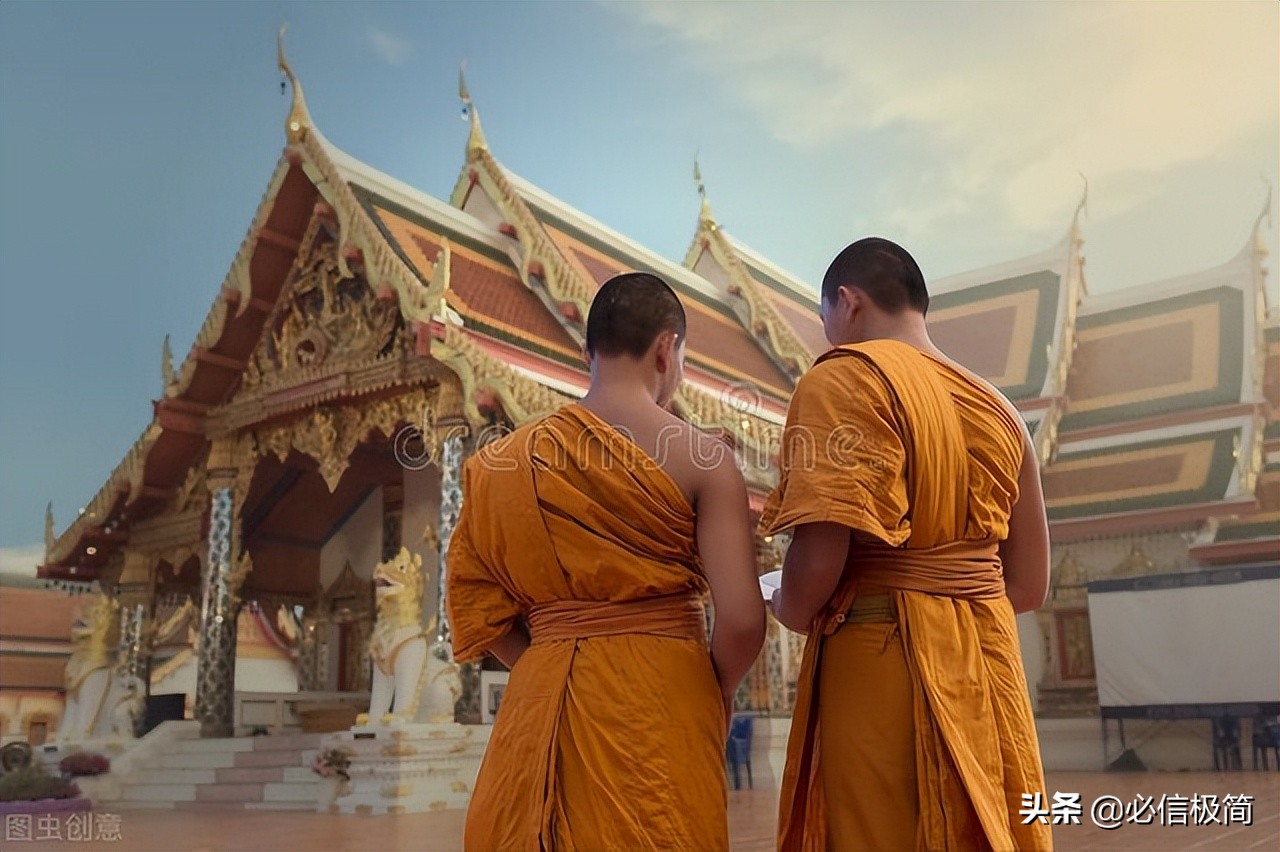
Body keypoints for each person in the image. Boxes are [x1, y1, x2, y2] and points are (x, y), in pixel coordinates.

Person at [447, 271, 766, 850]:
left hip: (536, 702)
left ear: (590, 349)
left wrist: (546, 666)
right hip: (659, 700)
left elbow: (477, 606)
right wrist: (712, 690)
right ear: (668, 349)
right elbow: (742, 619)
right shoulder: (703, 458)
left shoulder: (499, 465)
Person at [762, 238, 1053, 851]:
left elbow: (818, 559)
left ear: (846, 303)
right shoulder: (1001, 412)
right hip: (986, 659)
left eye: (824, 321)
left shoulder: (844, 380)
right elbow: (1029, 585)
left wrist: (785, 607)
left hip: (881, 654)